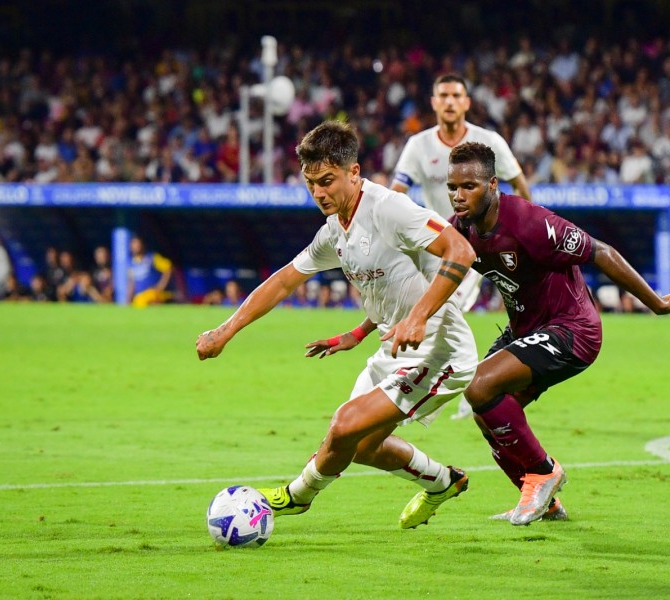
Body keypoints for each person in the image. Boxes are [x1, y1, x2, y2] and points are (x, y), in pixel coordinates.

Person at [196, 121, 479, 530]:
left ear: (354, 172)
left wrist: (417, 318)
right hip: (393, 345)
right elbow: (284, 280)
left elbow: (460, 250)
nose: (319, 193)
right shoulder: (334, 229)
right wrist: (226, 330)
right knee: (360, 446)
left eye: (327, 181)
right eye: (311, 183)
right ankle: (443, 482)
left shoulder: (389, 208)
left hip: (440, 348)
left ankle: (297, 497)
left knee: (344, 424)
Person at [443, 142, 670, 525]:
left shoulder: (529, 223)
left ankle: (545, 471)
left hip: (572, 329)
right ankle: (543, 503)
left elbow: (601, 252)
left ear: (493, 185)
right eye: (452, 187)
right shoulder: (460, 229)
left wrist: (658, 303)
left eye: (468, 186)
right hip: (526, 329)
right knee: (486, 413)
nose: (457, 195)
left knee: (479, 386)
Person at [390, 72, 531, 419]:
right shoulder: (418, 145)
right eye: (444, 95)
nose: (450, 101)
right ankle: (469, 380)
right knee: (433, 310)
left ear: (466, 102)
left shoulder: (489, 141)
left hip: (476, 245)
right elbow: (397, 194)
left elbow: (518, 183)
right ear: (434, 102)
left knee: (440, 308)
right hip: (434, 244)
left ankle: (430, 390)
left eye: (456, 95)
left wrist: (527, 228)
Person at [127, 235, 174, 308]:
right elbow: (132, 282)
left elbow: (168, 268)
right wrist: (128, 300)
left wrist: (160, 286)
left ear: (142, 245)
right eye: (133, 244)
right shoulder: (131, 263)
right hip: (139, 296)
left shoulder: (152, 257)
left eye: (138, 244)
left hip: (153, 294)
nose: (136, 246)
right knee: (138, 303)